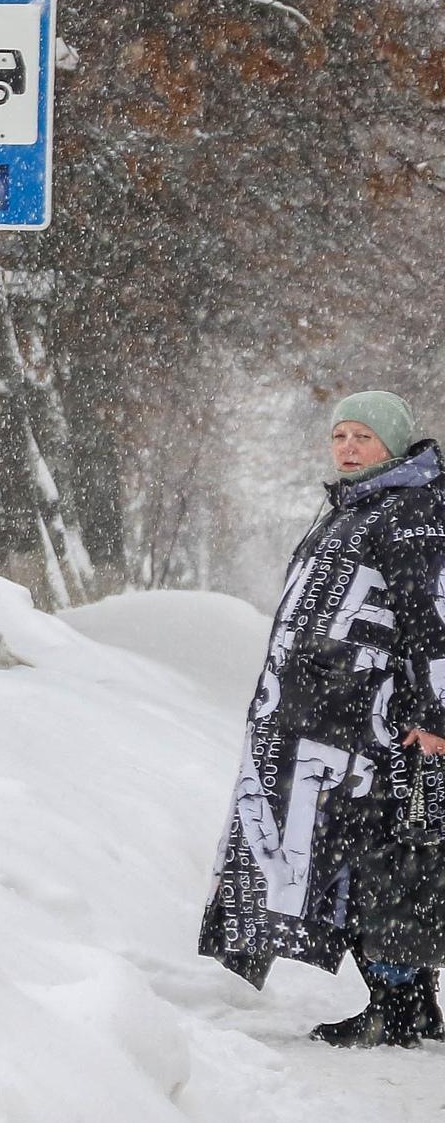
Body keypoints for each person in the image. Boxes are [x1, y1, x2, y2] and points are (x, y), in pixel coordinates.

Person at [199, 391, 445, 1046]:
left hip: (375, 727)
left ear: (392, 442)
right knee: (363, 861)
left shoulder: (413, 510)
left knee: (382, 863)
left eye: (362, 435)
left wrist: (433, 712)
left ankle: (396, 1007)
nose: (347, 446)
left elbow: (432, 618)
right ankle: (412, 1003)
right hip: (322, 726)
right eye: (339, 434)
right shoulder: (351, 506)